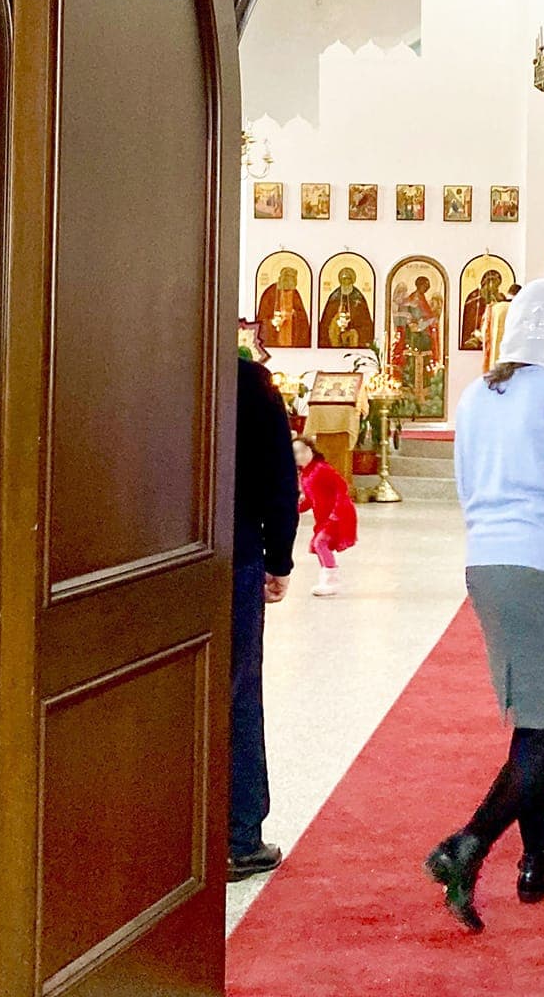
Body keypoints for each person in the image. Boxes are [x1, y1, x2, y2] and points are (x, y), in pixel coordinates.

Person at [427, 279, 544, 932]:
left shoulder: (477, 393)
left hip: (486, 562)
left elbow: (463, 484)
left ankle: (538, 860)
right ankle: (468, 845)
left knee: (535, 718)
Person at [230, 342, 301, 880]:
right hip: (233, 557)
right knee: (236, 693)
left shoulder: (148, 375)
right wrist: (278, 556)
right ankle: (238, 836)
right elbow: (281, 477)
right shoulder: (249, 382)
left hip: (150, 560)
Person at [294, 436, 356, 599]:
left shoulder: (321, 469)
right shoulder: (305, 474)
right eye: (295, 453)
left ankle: (331, 580)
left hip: (338, 514)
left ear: (311, 450)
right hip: (324, 516)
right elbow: (310, 500)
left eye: (303, 451)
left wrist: (336, 513)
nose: (300, 455)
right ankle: (328, 579)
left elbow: (341, 488)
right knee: (319, 545)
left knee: (320, 543)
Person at [318, 267, 375, 348]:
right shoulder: (334, 297)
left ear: (352, 280)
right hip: (335, 338)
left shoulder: (358, 298)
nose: (345, 282)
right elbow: (326, 321)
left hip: (354, 337)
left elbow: (366, 323)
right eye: (343, 279)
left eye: (348, 279)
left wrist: (355, 332)